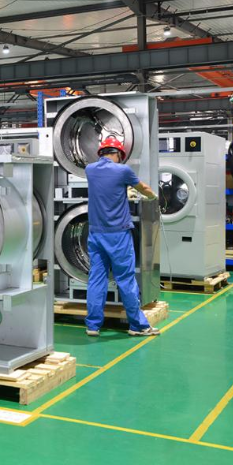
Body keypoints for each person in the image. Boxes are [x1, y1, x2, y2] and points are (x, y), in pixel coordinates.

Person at [84, 137, 160, 337]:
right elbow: (143, 188)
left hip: (95, 234)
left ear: (101, 153)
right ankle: (138, 326)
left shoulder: (89, 170)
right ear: (118, 154)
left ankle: (93, 325)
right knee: (125, 279)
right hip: (118, 235)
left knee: (96, 279)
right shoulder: (123, 170)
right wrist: (153, 197)